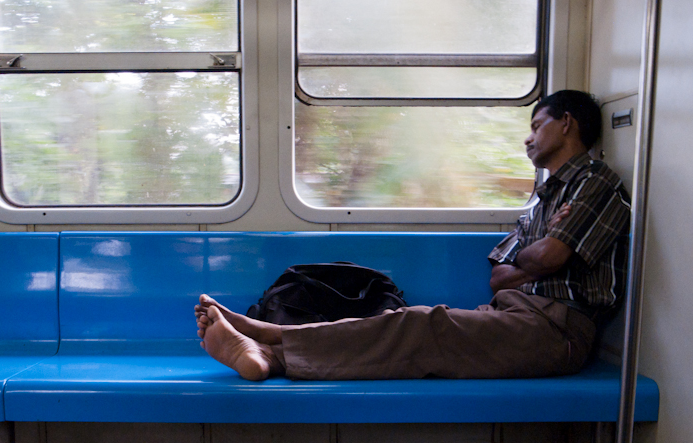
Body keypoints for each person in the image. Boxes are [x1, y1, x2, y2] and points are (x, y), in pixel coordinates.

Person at [195, 90, 632, 382]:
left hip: (557, 330)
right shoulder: (541, 202)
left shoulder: (596, 183)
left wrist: (540, 256)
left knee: (423, 325)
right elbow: (500, 277)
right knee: (406, 321)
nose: (528, 138)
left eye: (537, 126)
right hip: (514, 314)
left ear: (567, 123)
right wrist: (543, 249)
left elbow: (550, 258)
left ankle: (272, 347)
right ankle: (272, 344)